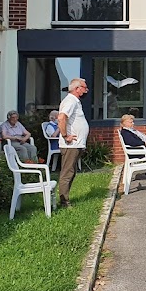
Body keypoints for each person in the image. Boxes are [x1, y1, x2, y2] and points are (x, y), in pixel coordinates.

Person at [56, 78, 90, 208]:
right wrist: (66, 136)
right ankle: (64, 201)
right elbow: (61, 117)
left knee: (71, 171)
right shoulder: (70, 101)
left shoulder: (75, 101)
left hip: (76, 144)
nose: (86, 90)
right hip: (70, 145)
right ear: (77, 88)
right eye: (84, 88)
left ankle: (65, 199)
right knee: (67, 172)